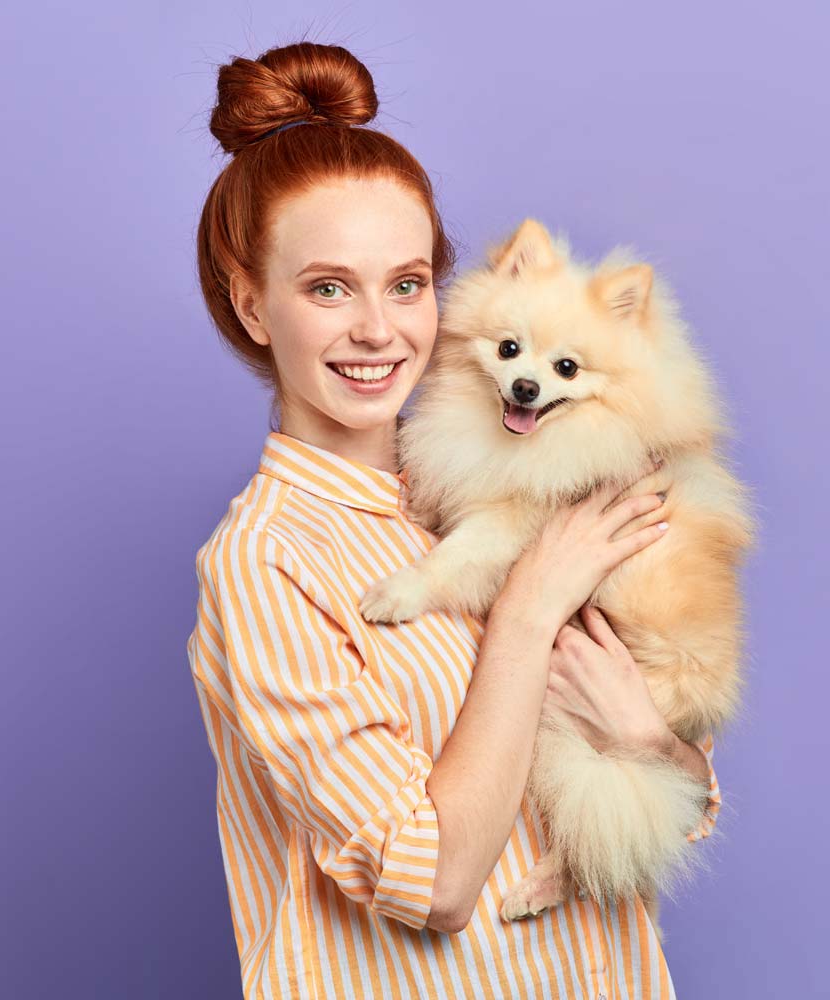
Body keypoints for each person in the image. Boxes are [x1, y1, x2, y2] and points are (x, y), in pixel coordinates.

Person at [186, 41, 722, 1000]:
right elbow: (430, 882)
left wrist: (650, 742)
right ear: (253, 306)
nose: (378, 330)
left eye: (405, 284)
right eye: (327, 288)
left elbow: (680, 802)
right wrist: (528, 607)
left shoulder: (497, 485)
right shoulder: (266, 562)